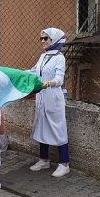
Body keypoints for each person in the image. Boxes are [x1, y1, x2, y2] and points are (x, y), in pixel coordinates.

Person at [28, 28, 70, 177]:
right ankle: (44, 160)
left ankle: (64, 163)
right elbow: (34, 72)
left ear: (55, 39)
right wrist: (19, 74)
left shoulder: (59, 57)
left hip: (53, 98)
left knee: (58, 129)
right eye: (41, 39)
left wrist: (47, 84)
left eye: (46, 38)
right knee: (41, 127)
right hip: (42, 98)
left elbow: (59, 79)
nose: (43, 41)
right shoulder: (43, 56)